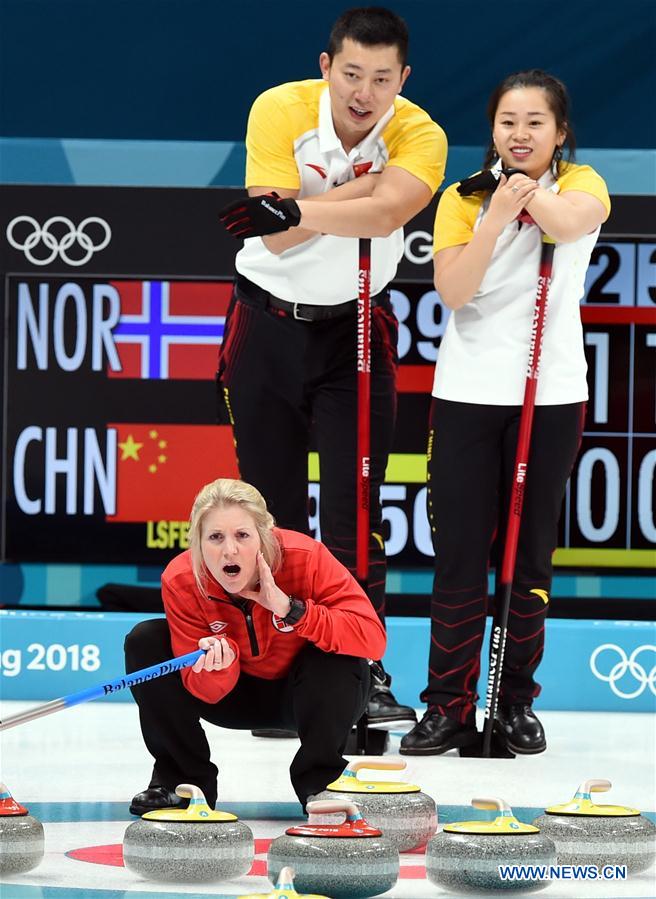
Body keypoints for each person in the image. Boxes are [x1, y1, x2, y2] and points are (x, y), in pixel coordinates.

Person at [217, 6, 447, 727]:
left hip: (356, 331)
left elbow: (383, 218)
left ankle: (360, 668)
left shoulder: (421, 132)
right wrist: (361, 196)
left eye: (381, 78)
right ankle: (279, 671)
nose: (363, 92)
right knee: (269, 515)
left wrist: (303, 208)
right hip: (265, 323)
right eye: (351, 73)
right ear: (326, 67)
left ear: (402, 78)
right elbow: (273, 241)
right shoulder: (279, 109)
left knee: (355, 512)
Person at [399, 70, 610, 757]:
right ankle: (447, 704)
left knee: (529, 553)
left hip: (550, 397)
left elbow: (570, 223)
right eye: (507, 122)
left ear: (560, 132)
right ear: (491, 129)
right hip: (467, 394)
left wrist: (527, 192)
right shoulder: (460, 199)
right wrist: (493, 213)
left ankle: (515, 699)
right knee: (459, 556)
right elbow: (454, 290)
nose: (519, 134)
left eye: (535, 123)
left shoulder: (582, 185)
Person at [126, 478, 386, 815]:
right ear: (198, 542)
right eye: (215, 537)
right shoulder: (182, 579)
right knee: (145, 640)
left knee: (336, 654)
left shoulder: (306, 558)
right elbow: (204, 691)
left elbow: (372, 640)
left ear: (265, 535)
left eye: (242, 535)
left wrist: (292, 610)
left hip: (308, 695)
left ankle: (322, 783)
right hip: (232, 695)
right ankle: (182, 782)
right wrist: (220, 665)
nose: (229, 550)